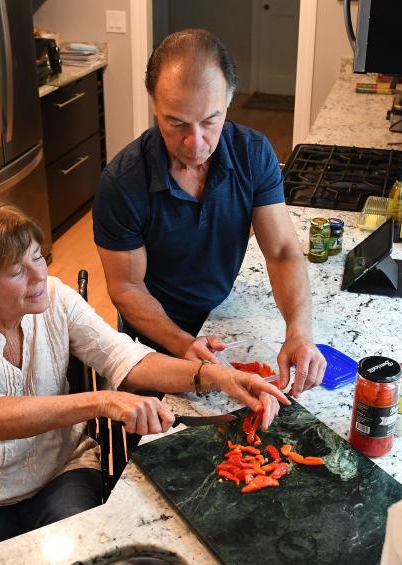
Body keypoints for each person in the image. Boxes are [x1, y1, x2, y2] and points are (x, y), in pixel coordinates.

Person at [0, 203, 289, 561]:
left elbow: (126, 358)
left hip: (59, 470)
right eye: (16, 271)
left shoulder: (57, 298)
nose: (38, 276)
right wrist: (103, 401)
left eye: (37, 256)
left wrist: (219, 377)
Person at [93, 29, 326, 398]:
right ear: (154, 106)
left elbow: (281, 252)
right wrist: (184, 343)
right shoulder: (122, 183)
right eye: (176, 123)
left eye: (210, 120)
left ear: (228, 103)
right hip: (155, 339)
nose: (195, 142)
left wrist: (299, 331)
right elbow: (126, 287)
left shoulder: (253, 154)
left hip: (221, 315)